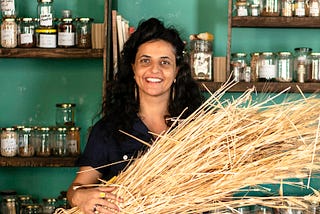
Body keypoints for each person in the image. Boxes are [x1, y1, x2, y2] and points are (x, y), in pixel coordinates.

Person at [66, 17, 204, 214]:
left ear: (177, 71)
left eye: (164, 62)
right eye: (145, 60)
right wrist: (81, 197)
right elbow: (76, 189)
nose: (154, 70)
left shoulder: (199, 127)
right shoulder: (108, 130)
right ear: (133, 68)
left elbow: (223, 191)